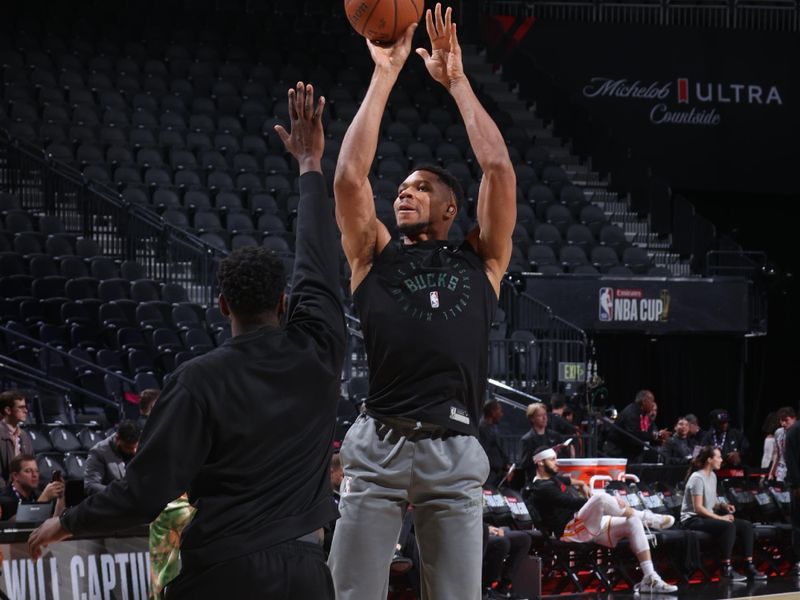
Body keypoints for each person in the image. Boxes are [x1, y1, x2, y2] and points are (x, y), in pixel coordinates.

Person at [29, 82, 346, 600]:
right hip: (309, 572)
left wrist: (68, 523)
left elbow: (145, 491)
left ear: (221, 305)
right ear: (285, 302)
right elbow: (319, 262)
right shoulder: (320, 350)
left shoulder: (197, 379)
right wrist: (310, 165)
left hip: (225, 571)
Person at [327, 4, 516, 598]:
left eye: (421, 188)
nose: (405, 193)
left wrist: (456, 81)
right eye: (403, 187)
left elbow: (498, 168)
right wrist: (385, 73)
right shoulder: (375, 254)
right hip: (379, 444)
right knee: (351, 593)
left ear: (451, 208)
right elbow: (349, 181)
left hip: (454, 452)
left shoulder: (482, 259)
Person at [528, 446, 677, 593]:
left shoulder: (552, 479)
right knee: (600, 497)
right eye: (552, 459)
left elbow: (568, 480)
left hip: (584, 524)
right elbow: (571, 502)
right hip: (569, 532)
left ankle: (650, 578)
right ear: (540, 462)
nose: (556, 462)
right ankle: (647, 517)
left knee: (633, 521)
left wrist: (582, 484)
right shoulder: (540, 488)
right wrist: (605, 501)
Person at [680, 445, 766, 581]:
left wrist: (723, 506)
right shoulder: (697, 478)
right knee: (728, 525)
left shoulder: (712, 476)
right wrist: (721, 518)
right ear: (709, 460)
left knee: (746, 525)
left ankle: (748, 565)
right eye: (718, 457)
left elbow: (711, 502)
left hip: (706, 517)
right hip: (692, 519)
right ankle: (726, 569)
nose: (721, 460)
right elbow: (698, 508)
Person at [602, 390, 670, 461]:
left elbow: (645, 436)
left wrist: (659, 439)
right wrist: (657, 435)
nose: (652, 404)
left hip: (631, 456)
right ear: (644, 401)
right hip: (617, 455)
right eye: (651, 401)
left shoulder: (643, 415)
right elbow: (635, 437)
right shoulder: (632, 414)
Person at [84, 420, 141, 495]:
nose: (134, 451)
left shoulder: (141, 446)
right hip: (113, 502)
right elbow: (90, 485)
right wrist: (119, 493)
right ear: (117, 439)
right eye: (128, 448)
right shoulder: (99, 452)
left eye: (135, 447)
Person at [0, 454, 65, 520]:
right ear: (15, 476)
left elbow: (54, 522)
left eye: (36, 471)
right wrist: (44, 498)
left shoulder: (37, 494)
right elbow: (14, 523)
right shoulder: (4, 499)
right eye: (28, 471)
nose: (34, 475)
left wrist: (61, 498)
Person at [518, 403, 569, 483]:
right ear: (532, 419)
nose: (544, 418)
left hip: (556, 478)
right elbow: (524, 464)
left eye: (545, 414)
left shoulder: (555, 436)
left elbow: (564, 456)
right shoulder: (527, 439)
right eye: (540, 415)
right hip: (537, 481)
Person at [482, 524, 531, 600]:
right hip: (473, 532)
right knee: (502, 542)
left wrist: (491, 527)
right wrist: (486, 529)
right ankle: (486, 589)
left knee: (524, 539)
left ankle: (503, 587)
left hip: (484, 527)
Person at [0, 390, 34, 488]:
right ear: (8, 410)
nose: (26, 411)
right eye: (21, 407)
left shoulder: (25, 436)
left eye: (25, 407)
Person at [479, 399, 511, 487]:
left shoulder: (493, 428)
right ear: (492, 412)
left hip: (497, 476)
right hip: (489, 477)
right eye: (499, 410)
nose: (502, 414)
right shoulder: (482, 429)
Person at [784, 414, 800, 573]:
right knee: (799, 525)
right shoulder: (794, 431)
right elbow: (791, 460)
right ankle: (799, 560)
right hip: (798, 485)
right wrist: (796, 485)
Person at [768, 407, 796, 482]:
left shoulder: (797, 433)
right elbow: (777, 454)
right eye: (781, 421)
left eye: (786, 420)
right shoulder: (779, 432)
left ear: (794, 419)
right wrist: (771, 473)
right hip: (782, 471)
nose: (783, 423)